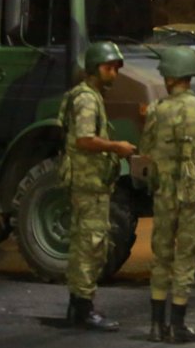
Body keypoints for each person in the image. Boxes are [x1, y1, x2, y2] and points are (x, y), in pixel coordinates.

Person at [141, 47, 195, 343]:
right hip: (193, 194)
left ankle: (154, 325)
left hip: (164, 193)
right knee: (185, 257)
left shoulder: (156, 110)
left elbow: (146, 151)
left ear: (171, 78)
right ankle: (177, 325)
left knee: (161, 255)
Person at [58, 41, 137, 331]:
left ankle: (79, 307)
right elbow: (84, 139)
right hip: (87, 183)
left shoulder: (89, 96)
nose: (114, 73)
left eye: (116, 68)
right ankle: (82, 309)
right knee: (89, 245)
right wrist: (117, 146)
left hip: (92, 182)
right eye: (109, 67)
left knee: (89, 243)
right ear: (94, 68)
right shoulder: (87, 100)